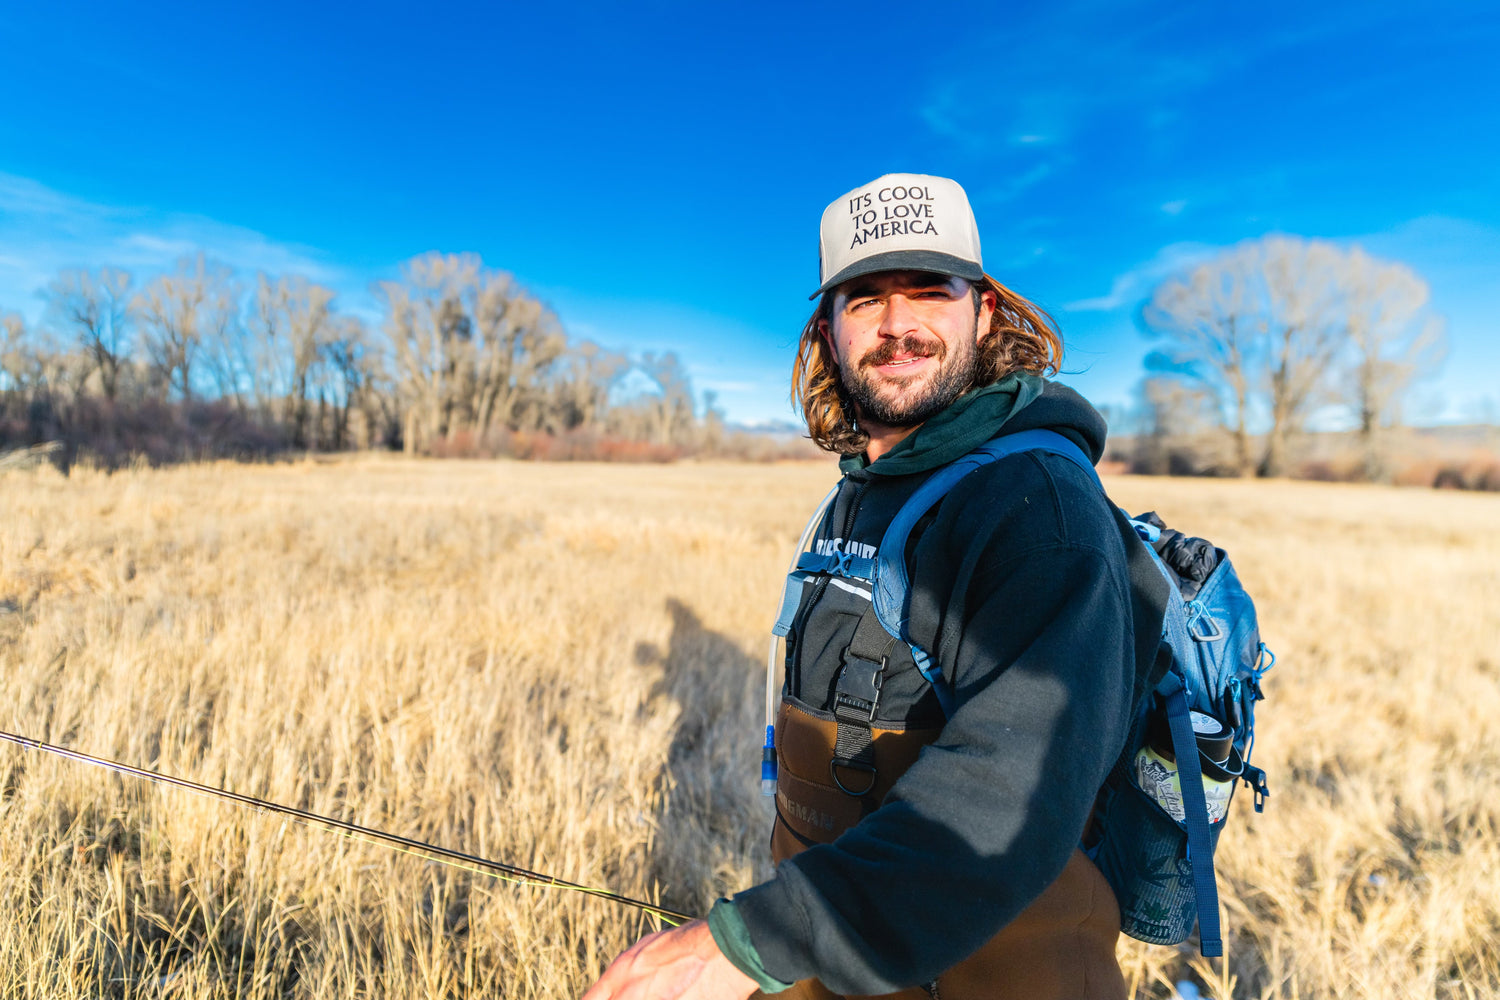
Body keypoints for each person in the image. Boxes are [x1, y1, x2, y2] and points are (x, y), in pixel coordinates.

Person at [580, 173, 1168, 1000]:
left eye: (931, 289)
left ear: (985, 311)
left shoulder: (1037, 510)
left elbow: (1008, 792)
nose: (899, 326)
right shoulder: (862, 486)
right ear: (827, 328)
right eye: (864, 299)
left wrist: (749, 944)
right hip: (841, 963)